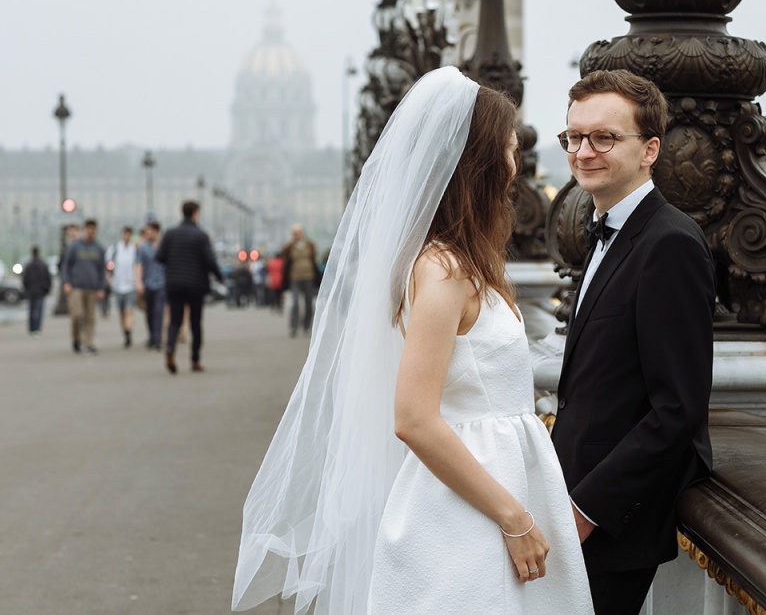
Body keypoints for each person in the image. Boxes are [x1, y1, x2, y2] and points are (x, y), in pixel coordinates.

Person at [233, 67, 593, 614]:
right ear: (478, 162)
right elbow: (414, 418)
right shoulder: (446, 270)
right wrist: (514, 517)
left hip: (494, 489)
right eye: (509, 148)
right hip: (475, 508)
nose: (516, 163)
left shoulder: (462, 263)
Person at [550, 70, 716, 615]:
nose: (583, 152)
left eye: (604, 137)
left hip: (609, 524)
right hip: (570, 502)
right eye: (574, 137)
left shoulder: (670, 243)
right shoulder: (603, 229)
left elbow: (679, 408)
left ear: (650, 150)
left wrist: (587, 510)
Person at [156, 201, 224, 374]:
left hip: (174, 284)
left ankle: (170, 347)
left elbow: (160, 256)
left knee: (174, 321)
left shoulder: (170, 234)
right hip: (195, 285)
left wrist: (174, 261)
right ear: (195, 213)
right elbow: (210, 260)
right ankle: (195, 360)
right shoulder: (201, 235)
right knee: (195, 323)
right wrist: (220, 277)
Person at [61, 219, 107, 355]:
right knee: (77, 315)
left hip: (92, 288)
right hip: (76, 287)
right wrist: (66, 282)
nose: (91, 232)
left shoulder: (98, 248)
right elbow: (66, 265)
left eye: (93, 229)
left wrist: (101, 287)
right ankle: (76, 337)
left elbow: (102, 270)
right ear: (84, 230)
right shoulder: (75, 246)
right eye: (89, 229)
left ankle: (88, 342)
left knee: (90, 317)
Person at [281, 224, 317, 337]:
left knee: (308, 302)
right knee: (295, 302)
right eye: (294, 233)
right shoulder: (290, 247)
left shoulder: (309, 245)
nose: (296, 235)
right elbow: (284, 254)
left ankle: (307, 326)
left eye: (298, 233)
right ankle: (293, 327)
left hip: (308, 276)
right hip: (295, 277)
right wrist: (293, 242)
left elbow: (314, 256)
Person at [135, 221, 166, 350]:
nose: (147, 233)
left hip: (162, 284)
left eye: (149, 231)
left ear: (156, 231)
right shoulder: (143, 247)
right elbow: (139, 265)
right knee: (149, 312)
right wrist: (138, 282)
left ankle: (157, 339)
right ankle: (152, 336)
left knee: (159, 311)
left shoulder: (164, 246)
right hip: (147, 284)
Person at [107, 226, 138, 348]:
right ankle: (125, 332)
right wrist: (110, 275)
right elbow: (109, 264)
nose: (127, 237)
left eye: (129, 234)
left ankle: (129, 332)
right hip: (118, 284)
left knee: (129, 310)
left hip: (131, 285)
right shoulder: (114, 249)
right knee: (121, 313)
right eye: (125, 234)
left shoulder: (134, 249)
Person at [21, 245, 52, 336]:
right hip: (40, 291)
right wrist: (47, 289)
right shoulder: (43, 264)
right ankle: (37, 328)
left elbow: (25, 279)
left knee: (31, 310)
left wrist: (26, 289)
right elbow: (48, 278)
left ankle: (31, 328)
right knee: (39, 310)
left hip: (31, 291)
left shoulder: (28, 265)